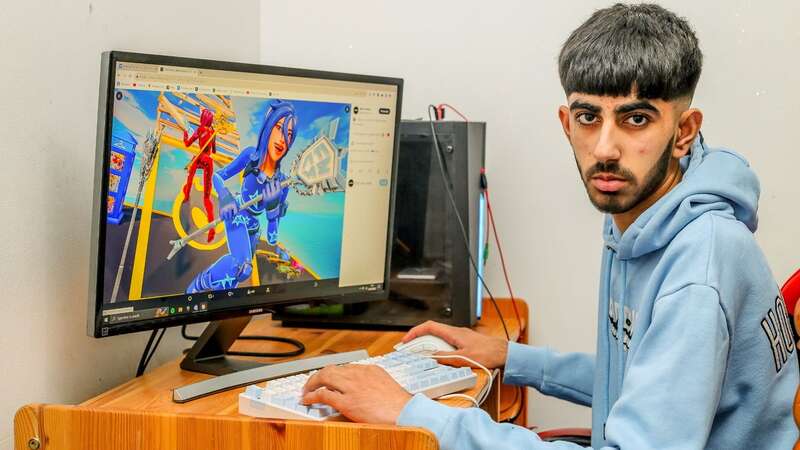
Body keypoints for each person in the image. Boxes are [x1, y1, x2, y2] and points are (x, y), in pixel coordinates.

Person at [299, 4, 800, 449]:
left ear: (684, 131)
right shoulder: (644, 217)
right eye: (588, 117)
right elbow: (640, 383)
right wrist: (511, 358)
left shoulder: (698, 266)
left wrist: (413, 411)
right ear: (566, 122)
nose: (604, 148)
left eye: (636, 120)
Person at [186, 100, 295, 294]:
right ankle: (198, 286)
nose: (282, 139)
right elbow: (218, 176)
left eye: (288, 134)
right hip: (236, 213)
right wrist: (225, 197)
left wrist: (271, 212)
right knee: (243, 268)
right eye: (279, 128)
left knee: (237, 276)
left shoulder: (282, 183)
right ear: (268, 126)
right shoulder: (250, 156)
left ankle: (216, 300)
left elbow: (272, 238)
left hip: (254, 228)